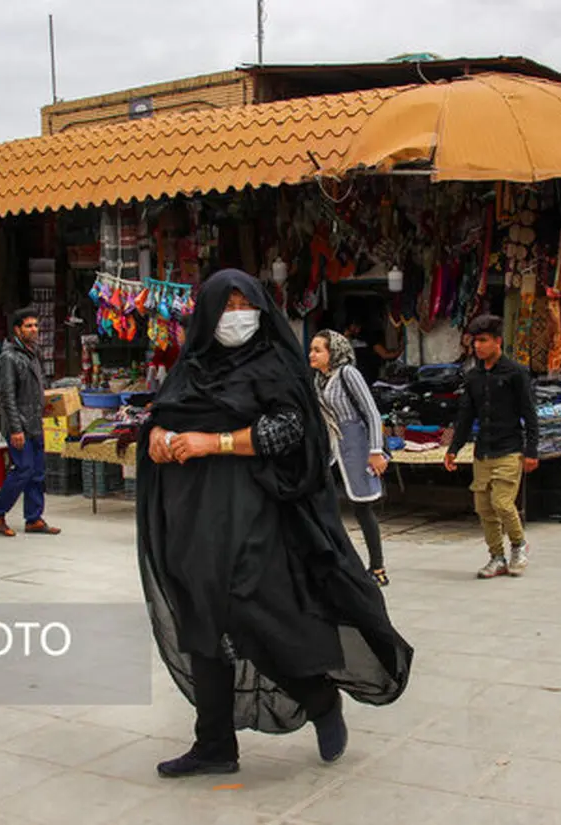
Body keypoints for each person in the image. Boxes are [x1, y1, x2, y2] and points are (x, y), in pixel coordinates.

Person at [136, 268, 413, 779]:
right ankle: (214, 744)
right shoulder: (190, 367)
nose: (237, 315)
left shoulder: (274, 365)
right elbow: (162, 414)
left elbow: (290, 430)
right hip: (193, 517)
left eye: (246, 304)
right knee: (200, 620)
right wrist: (156, 436)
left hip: (254, 510)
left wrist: (213, 442)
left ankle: (320, 699)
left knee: (250, 615)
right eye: (227, 305)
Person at [444, 314, 540, 579]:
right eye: (475, 341)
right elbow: (466, 416)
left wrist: (532, 451)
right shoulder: (473, 377)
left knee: (502, 503)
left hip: (509, 449)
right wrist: (453, 448)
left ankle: (519, 545)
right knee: (484, 508)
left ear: (498, 341)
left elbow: (530, 414)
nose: (478, 346)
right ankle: (496, 556)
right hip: (482, 451)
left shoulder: (516, 373)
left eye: (483, 341)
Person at [310, 330, 390, 586]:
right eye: (311, 350)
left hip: (357, 445)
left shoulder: (348, 374)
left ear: (333, 352)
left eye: (317, 350)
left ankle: (378, 568)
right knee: (327, 502)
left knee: (362, 506)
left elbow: (371, 412)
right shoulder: (319, 380)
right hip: (335, 447)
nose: (311, 354)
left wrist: (375, 451)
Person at [0, 308, 61, 537]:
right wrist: (16, 429)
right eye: (28, 326)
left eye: (36, 325)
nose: (34, 330)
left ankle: (34, 518)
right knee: (23, 470)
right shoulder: (9, 358)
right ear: (17, 330)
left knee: (37, 472)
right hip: (20, 425)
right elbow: (7, 396)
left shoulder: (33, 353)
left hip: (35, 422)